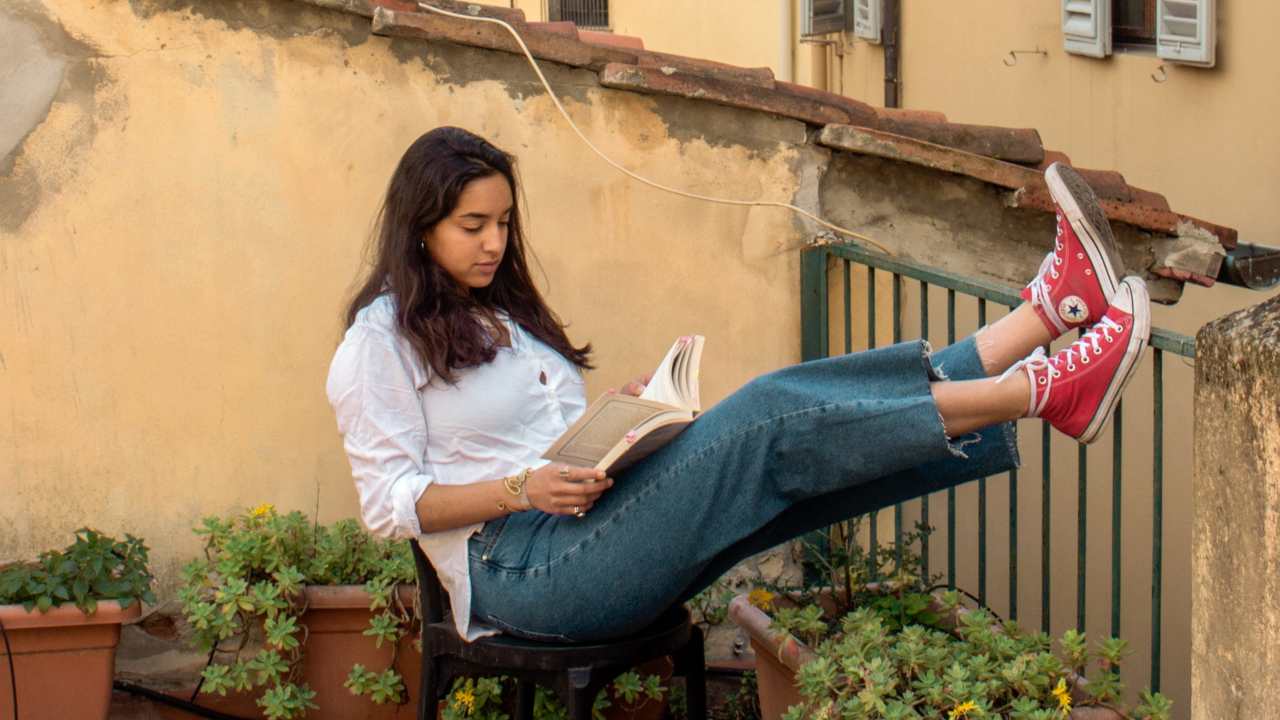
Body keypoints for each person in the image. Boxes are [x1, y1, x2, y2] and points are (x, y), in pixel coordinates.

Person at [326, 126, 1149, 643]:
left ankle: (1047, 316)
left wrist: (629, 417)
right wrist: (520, 487)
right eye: (473, 226)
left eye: (504, 222)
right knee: (768, 419)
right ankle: (1042, 391)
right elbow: (390, 503)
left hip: (590, 526)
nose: (496, 242)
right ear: (420, 226)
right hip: (526, 577)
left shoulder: (501, 317)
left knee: (802, 467)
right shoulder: (378, 344)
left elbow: (543, 444)